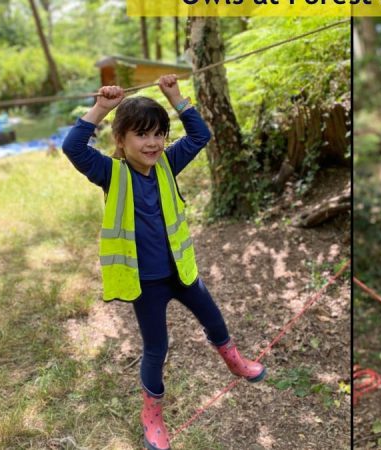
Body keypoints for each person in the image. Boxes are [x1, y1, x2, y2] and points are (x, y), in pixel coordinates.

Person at [62, 75, 266, 450]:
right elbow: (73, 146)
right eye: (142, 134)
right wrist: (102, 108)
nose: (153, 142)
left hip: (182, 273)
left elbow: (200, 135)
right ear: (120, 140)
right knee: (157, 348)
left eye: (159, 134)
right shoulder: (110, 173)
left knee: (215, 320)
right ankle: (152, 415)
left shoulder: (168, 164)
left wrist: (176, 97)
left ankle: (235, 361)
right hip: (145, 282)